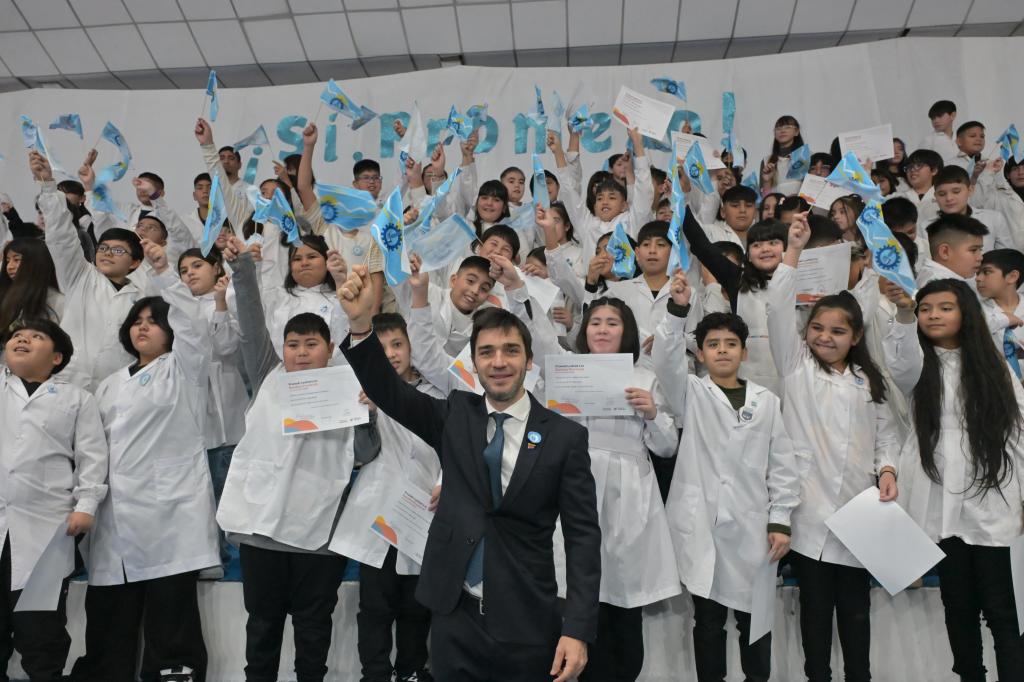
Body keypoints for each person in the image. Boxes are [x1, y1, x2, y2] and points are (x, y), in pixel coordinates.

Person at [337, 264, 600, 682]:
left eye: (511, 350)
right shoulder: (456, 416)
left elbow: (583, 537)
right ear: (473, 364)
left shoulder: (565, 437)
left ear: (529, 360)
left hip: (527, 619)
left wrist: (578, 628)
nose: (499, 362)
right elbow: (390, 392)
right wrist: (359, 325)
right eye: (487, 352)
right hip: (454, 615)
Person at [497, 258, 680, 681]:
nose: (601, 329)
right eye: (595, 322)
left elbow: (667, 446)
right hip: (574, 490)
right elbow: (540, 336)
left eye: (612, 323)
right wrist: (518, 289)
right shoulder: (567, 368)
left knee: (623, 604)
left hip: (628, 500)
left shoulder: (645, 377)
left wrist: (653, 414)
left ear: (626, 332)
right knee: (574, 597)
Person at [215, 238, 372, 682]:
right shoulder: (268, 374)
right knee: (262, 627)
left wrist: (369, 415)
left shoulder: (348, 387)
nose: (301, 352)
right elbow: (251, 323)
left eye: (311, 344)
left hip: (318, 534)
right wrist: (242, 268)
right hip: (261, 530)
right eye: (293, 344)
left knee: (313, 628)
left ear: (330, 348)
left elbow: (364, 454)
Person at [766, 213, 913, 682]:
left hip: (858, 512)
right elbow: (777, 307)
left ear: (856, 337)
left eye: (838, 331)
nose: (825, 338)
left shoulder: (869, 380)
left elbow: (887, 435)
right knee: (814, 616)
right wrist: (793, 249)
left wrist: (887, 471)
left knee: (855, 614)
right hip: (808, 514)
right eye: (818, 328)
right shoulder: (796, 367)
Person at [73, 241, 219, 682]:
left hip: (167, 513)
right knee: (108, 613)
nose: (143, 328)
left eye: (154, 322)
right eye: (136, 321)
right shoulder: (110, 383)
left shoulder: (185, 369)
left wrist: (164, 274)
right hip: (114, 516)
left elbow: (194, 329)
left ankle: (173, 674)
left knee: (170, 611)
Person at [653, 272, 799, 682]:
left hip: (753, 529)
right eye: (713, 344)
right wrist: (677, 310)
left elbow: (782, 465)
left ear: (744, 352)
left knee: (756, 623)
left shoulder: (766, 402)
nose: (722, 350)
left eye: (731, 344)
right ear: (700, 354)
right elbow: (665, 360)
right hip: (703, 528)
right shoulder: (690, 393)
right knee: (708, 622)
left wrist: (780, 520)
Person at [894, 279, 1024, 682]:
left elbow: (1017, 431)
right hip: (938, 499)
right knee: (958, 605)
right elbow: (900, 363)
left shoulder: (991, 365)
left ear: (966, 313)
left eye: (945, 307)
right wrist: (903, 313)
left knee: (1002, 608)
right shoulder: (917, 364)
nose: (933, 315)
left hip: (991, 497)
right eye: (926, 308)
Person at [331, 312, 441, 682]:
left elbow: (451, 451)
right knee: (375, 608)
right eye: (382, 348)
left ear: (412, 348)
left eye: (398, 344)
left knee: (417, 606)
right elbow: (361, 455)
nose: (391, 353)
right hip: (377, 519)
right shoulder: (362, 395)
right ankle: (374, 674)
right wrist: (369, 416)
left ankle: (411, 671)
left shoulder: (437, 396)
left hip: (423, 516)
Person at [0, 319, 107, 681]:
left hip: (45, 531)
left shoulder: (76, 399)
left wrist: (86, 506)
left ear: (57, 357)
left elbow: (92, 457)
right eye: (16, 336)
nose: (22, 339)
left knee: (40, 631)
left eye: (36, 336)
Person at [33, 151, 144, 392]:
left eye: (117, 250)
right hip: (67, 381)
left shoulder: (140, 298)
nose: (106, 253)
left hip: (116, 388)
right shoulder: (80, 275)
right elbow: (62, 237)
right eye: (103, 248)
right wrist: (48, 185)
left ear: (135, 263)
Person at [0, 238, 63, 337]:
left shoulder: (56, 301)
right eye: (7, 261)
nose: (9, 266)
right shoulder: (6, 295)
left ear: (36, 262)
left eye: (16, 260)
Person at [974, 248, 1024, 364]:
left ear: (1012, 276)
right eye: (977, 273)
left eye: (986, 272)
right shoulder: (974, 310)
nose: (978, 278)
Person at [916, 213, 988, 289]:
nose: (980, 258)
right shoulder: (941, 287)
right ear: (945, 252)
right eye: (973, 250)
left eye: (980, 249)